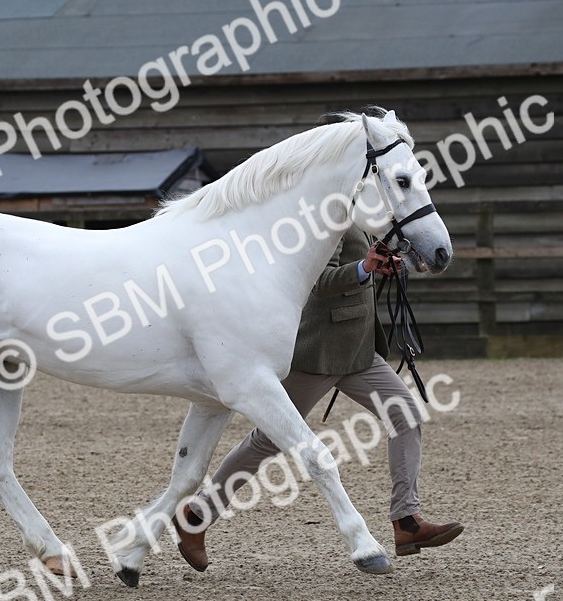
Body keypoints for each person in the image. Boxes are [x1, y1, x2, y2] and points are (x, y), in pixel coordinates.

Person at [174, 228, 462, 572]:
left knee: (405, 413)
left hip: (358, 349)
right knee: (267, 441)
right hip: (319, 350)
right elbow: (318, 279)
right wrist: (364, 268)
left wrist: (390, 264)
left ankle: (407, 521)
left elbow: (372, 260)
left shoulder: (368, 218)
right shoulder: (328, 222)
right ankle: (197, 515)